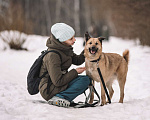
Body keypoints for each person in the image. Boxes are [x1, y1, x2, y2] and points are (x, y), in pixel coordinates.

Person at [39, 23, 90, 108]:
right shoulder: (53, 55)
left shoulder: (65, 49)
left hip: (59, 84)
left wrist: (87, 48)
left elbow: (77, 60)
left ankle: (63, 96)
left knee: (86, 80)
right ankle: (60, 97)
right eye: (71, 39)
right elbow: (58, 81)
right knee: (84, 81)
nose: (74, 40)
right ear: (62, 40)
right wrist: (75, 71)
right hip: (49, 89)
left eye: (73, 37)